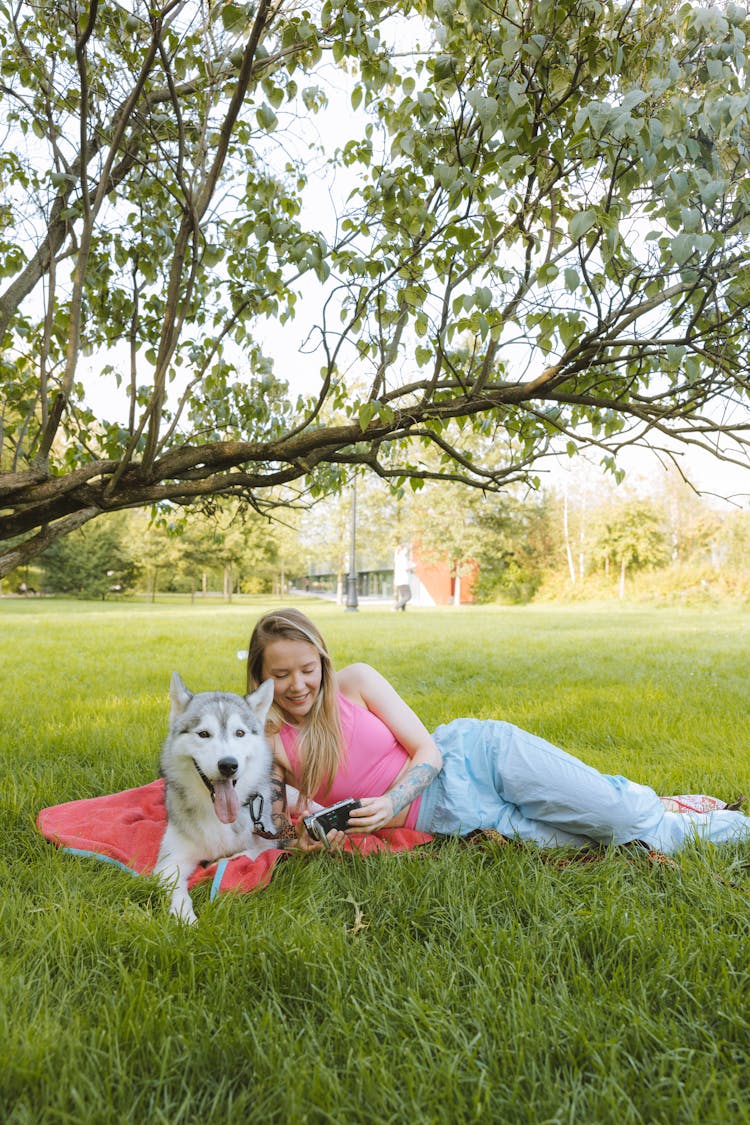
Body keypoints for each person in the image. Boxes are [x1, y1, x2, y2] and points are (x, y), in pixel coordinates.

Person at [245, 608, 750, 854]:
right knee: (616, 842)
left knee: (618, 815)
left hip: (478, 757)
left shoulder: (354, 683)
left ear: (322, 660)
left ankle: (648, 803)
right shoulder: (268, 744)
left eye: (307, 668)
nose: (297, 686)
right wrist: (304, 841)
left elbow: (426, 749)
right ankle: (687, 817)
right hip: (456, 816)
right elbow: (269, 823)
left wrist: (393, 801)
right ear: (260, 676)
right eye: (280, 674)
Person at [393, 543, 414, 611]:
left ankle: (403, 609)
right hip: (403, 580)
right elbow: (406, 568)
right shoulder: (402, 557)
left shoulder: (397, 557)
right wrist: (413, 566)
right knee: (408, 596)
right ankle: (395, 607)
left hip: (398, 580)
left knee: (403, 595)